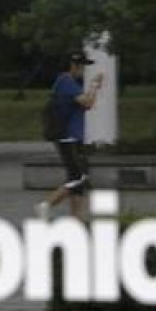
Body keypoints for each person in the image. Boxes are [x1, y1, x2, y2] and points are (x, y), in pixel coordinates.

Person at [34, 52, 103, 220]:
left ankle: (75, 217)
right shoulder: (66, 83)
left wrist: (93, 89)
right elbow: (87, 102)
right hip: (67, 137)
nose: (84, 70)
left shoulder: (68, 83)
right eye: (82, 67)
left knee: (79, 177)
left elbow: (86, 105)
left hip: (74, 136)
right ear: (73, 66)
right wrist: (94, 85)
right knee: (78, 177)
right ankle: (46, 205)